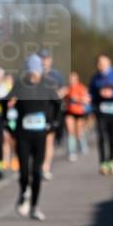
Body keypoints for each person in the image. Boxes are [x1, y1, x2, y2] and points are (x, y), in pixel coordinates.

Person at [8, 54, 60, 221]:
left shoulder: (47, 85)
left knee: (37, 171)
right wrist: (7, 125)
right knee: (23, 171)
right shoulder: (19, 85)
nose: (33, 76)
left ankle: (35, 207)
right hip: (23, 135)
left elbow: (58, 105)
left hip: (40, 135)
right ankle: (24, 192)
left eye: (36, 72)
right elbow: (5, 104)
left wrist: (53, 123)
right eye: (31, 72)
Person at [39, 48, 66, 181]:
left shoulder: (57, 75)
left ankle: (46, 167)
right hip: (37, 110)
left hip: (51, 110)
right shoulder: (34, 74)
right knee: (38, 140)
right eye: (42, 59)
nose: (44, 62)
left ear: (51, 60)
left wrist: (56, 95)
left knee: (49, 140)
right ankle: (38, 165)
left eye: (46, 59)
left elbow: (65, 88)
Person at [64, 71, 91, 161]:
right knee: (70, 131)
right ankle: (72, 152)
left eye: (73, 78)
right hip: (69, 112)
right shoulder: (67, 88)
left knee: (78, 132)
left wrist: (78, 99)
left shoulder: (81, 87)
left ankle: (83, 145)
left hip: (79, 112)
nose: (71, 80)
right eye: (70, 79)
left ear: (77, 79)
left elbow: (87, 100)